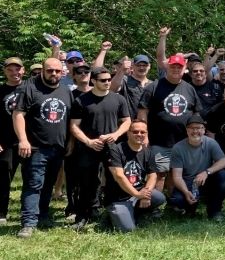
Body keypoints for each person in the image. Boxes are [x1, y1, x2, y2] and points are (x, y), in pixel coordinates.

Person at [14, 58, 74, 238]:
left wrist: (70, 142)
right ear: (43, 71)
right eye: (50, 71)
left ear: (62, 72)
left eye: (57, 71)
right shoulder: (30, 88)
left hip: (58, 148)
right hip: (35, 147)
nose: (53, 74)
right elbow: (18, 115)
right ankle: (28, 223)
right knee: (33, 185)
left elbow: (70, 118)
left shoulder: (65, 91)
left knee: (48, 184)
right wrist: (23, 140)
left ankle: (43, 215)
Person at [68, 66, 132, 230]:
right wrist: (88, 141)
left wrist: (116, 134)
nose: (107, 83)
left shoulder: (118, 99)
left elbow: (127, 121)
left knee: (114, 181)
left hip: (111, 146)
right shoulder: (81, 100)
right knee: (87, 182)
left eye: (109, 80)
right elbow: (74, 126)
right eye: (103, 80)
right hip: (89, 147)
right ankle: (83, 216)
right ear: (93, 81)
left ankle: (111, 215)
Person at [138, 52, 202, 192]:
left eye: (179, 67)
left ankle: (172, 203)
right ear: (168, 66)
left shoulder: (189, 88)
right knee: (159, 174)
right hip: (160, 141)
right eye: (173, 66)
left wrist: (196, 135)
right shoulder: (153, 87)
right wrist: (144, 136)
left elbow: (196, 114)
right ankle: (156, 205)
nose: (176, 69)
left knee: (176, 173)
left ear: (184, 68)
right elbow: (142, 113)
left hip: (183, 141)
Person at [103, 119, 166, 232]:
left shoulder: (148, 151)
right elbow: (119, 176)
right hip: (118, 197)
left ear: (146, 134)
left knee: (159, 198)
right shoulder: (116, 150)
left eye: (143, 132)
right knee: (128, 230)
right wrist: (137, 194)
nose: (139, 134)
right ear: (128, 133)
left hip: (138, 194)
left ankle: (135, 213)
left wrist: (145, 195)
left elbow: (153, 175)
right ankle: (113, 215)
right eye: (135, 132)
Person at [168, 114, 225, 221]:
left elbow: (224, 161)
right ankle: (190, 208)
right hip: (187, 182)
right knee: (177, 200)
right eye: (192, 128)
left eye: (199, 128)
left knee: (223, 175)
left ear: (204, 130)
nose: (195, 131)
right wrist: (186, 192)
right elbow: (177, 177)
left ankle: (214, 211)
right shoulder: (177, 148)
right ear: (187, 130)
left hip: (206, 180)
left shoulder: (211, 143)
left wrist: (206, 172)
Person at [0, 57, 24, 224]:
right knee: (2, 178)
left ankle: (29, 213)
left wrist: (55, 48)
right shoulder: (0, 91)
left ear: (23, 70)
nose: (14, 72)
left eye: (17, 69)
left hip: (29, 141)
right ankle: (1, 212)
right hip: (6, 142)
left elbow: (50, 67)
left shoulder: (30, 88)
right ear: (5, 71)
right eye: (10, 69)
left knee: (32, 178)